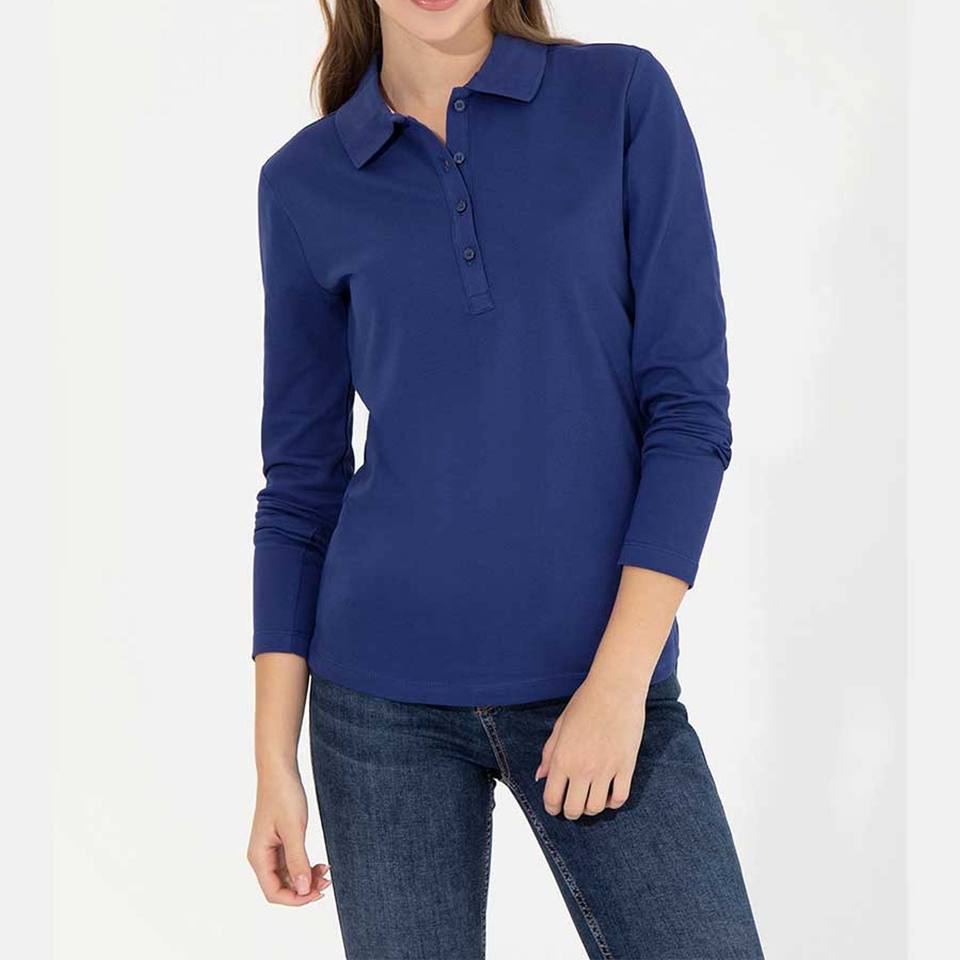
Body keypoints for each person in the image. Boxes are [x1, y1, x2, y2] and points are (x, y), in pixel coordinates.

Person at [246, 1, 763, 957]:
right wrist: (274, 763)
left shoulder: (618, 97)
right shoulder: (305, 182)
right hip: (378, 707)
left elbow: (689, 414)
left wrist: (618, 684)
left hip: (600, 675)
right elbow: (299, 491)